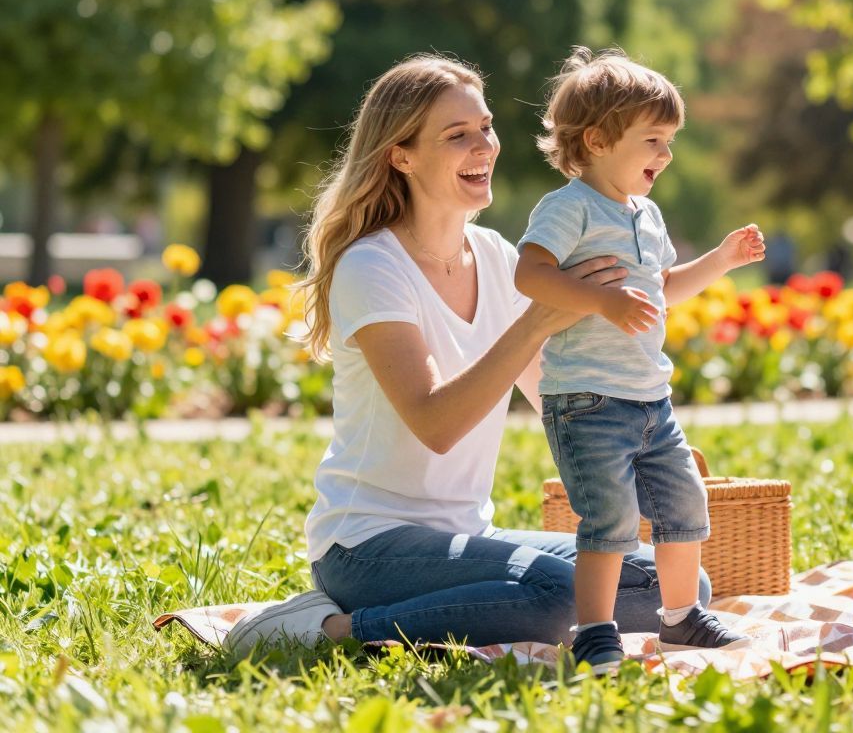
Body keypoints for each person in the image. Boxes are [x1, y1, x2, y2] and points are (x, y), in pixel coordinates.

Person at [224, 54, 707, 656]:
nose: (485, 146)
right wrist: (536, 322)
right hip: (367, 546)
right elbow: (436, 423)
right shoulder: (372, 266)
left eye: (485, 126)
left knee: (675, 588)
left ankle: (445, 609)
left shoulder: (499, 255)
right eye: (457, 136)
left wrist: (646, 448)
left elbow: (552, 390)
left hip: (468, 534)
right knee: (561, 599)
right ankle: (324, 630)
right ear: (401, 156)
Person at [513, 48, 764, 670]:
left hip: (651, 398)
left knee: (686, 508)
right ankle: (595, 629)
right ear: (597, 140)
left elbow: (663, 288)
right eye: (653, 139)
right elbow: (530, 274)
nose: (666, 154)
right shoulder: (567, 206)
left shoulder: (645, 215)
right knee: (611, 521)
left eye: (670, 140)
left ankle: (680, 620)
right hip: (587, 400)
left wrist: (723, 261)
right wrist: (600, 301)